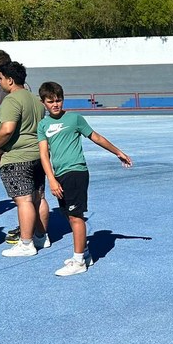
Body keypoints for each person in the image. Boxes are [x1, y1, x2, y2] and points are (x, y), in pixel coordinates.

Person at [37, 82, 132, 277]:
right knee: (67, 214)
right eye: (51, 101)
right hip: (59, 174)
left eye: (58, 100)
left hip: (76, 172)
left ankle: (79, 261)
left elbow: (96, 137)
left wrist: (118, 152)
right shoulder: (43, 125)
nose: (55, 104)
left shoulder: (75, 119)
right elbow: (44, 155)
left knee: (75, 216)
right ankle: (85, 252)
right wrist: (51, 179)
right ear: (43, 102)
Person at [0, 61, 48, 257]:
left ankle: (26, 243)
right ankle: (41, 236)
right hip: (38, 155)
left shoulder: (11, 100)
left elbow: (7, 129)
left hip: (17, 157)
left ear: (10, 80)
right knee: (39, 197)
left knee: (24, 200)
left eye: (1, 79)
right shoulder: (35, 101)